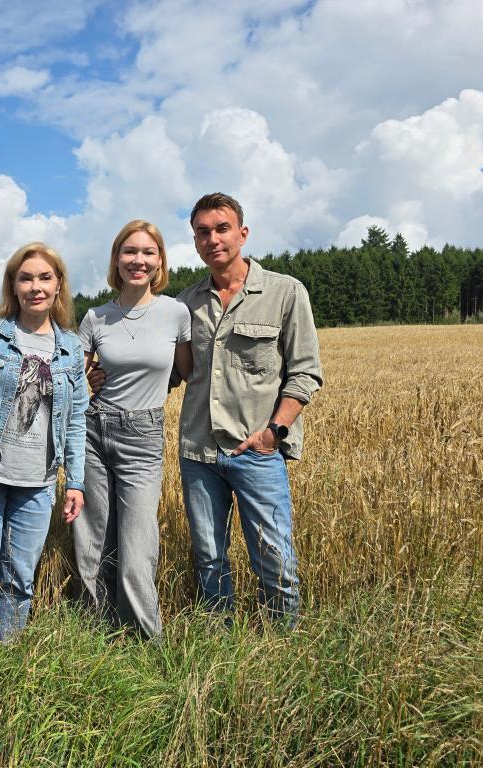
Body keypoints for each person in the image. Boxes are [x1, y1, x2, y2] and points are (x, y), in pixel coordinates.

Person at [175, 192, 323, 627]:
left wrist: (273, 433)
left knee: (275, 560)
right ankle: (219, 645)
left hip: (257, 451)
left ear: (243, 233)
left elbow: (305, 372)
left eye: (222, 229)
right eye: (202, 232)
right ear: (195, 240)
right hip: (199, 452)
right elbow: (173, 373)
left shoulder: (284, 292)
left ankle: (282, 646)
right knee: (209, 559)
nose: (212, 239)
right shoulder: (185, 303)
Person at [0, 242, 87, 648]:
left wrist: (74, 481)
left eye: (45, 278)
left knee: (20, 581)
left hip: (38, 483)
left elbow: (76, 419)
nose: (35, 287)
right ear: (13, 285)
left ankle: (6, 662)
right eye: (25, 278)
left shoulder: (71, 348)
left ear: (58, 285)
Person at [73, 220, 192, 638]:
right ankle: (96, 632)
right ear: (116, 260)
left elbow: (186, 372)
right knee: (92, 539)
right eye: (129, 252)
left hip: (143, 432)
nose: (138, 260)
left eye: (147, 252)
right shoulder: (95, 317)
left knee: (138, 545)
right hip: (93, 430)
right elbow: (75, 378)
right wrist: (88, 380)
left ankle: (145, 639)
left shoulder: (176, 313)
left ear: (159, 261)